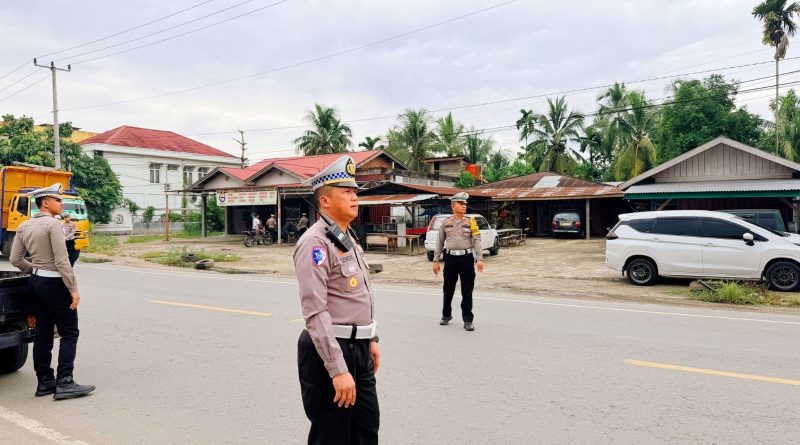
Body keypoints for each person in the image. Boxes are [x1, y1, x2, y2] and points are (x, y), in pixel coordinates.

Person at [294, 155, 380, 444]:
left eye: (355, 192)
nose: (355, 198)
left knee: (366, 431)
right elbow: (315, 311)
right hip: (331, 349)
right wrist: (338, 369)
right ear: (325, 202)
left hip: (360, 348)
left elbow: (359, 294)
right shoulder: (315, 243)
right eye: (346, 192)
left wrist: (372, 338)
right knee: (332, 437)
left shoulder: (347, 238)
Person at [10, 184, 95, 400]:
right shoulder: (52, 225)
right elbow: (61, 261)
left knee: (43, 333)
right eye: (57, 200)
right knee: (70, 332)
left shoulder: (24, 225)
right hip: (55, 284)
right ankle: (65, 382)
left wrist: (36, 269)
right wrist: (73, 289)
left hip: (36, 283)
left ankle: (45, 383)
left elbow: (15, 259)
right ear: (45, 203)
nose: (61, 203)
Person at [432, 192, 484, 331]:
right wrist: (436, 260)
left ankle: (468, 320)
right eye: (461, 204)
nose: (464, 206)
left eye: (465, 204)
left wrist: (480, 258)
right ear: (453, 205)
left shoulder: (470, 221)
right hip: (450, 259)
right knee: (448, 289)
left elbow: (476, 240)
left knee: (467, 290)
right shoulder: (446, 222)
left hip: (466, 259)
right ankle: (446, 315)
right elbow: (440, 241)